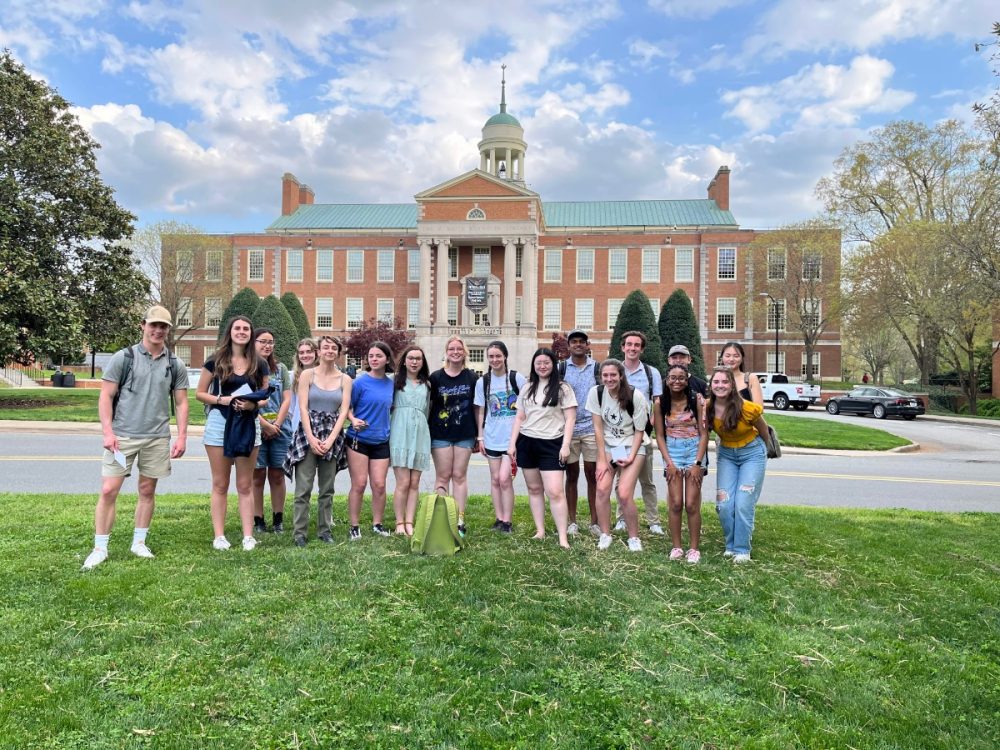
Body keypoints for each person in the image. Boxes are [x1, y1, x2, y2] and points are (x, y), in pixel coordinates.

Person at [82, 306, 190, 570]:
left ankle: (139, 542)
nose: (158, 330)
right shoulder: (124, 357)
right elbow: (106, 396)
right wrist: (107, 432)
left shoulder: (174, 363)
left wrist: (182, 436)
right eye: (153, 325)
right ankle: (100, 547)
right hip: (123, 437)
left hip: (156, 437)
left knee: (147, 490)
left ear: (168, 329)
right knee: (109, 490)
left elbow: (182, 402)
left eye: (163, 326)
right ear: (143, 325)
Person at [195, 315, 270, 551]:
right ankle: (219, 536)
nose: (241, 332)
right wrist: (222, 400)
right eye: (237, 328)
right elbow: (200, 393)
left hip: (248, 424)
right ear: (230, 332)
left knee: (245, 484)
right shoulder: (215, 360)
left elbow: (266, 397)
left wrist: (252, 405)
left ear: (250, 333)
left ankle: (248, 536)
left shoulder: (259, 363)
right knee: (220, 483)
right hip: (220, 423)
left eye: (246, 329)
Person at [507, 348, 577, 549]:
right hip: (527, 441)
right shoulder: (527, 388)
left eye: (546, 362)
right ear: (533, 365)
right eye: (538, 363)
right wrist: (512, 444)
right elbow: (519, 417)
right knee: (534, 489)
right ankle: (540, 530)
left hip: (553, 442)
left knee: (555, 491)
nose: (542, 366)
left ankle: (562, 537)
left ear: (553, 365)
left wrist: (565, 446)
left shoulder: (563, 388)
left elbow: (570, 418)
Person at [286, 335, 351, 546]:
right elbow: (302, 407)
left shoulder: (345, 379)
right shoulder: (307, 375)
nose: (329, 351)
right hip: (307, 434)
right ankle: (300, 534)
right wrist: (311, 438)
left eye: (333, 348)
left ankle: (325, 530)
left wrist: (331, 439)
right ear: (319, 352)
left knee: (327, 489)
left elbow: (343, 412)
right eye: (325, 347)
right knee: (303, 488)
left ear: (338, 353)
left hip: (332, 435)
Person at [708, 366, 769, 563]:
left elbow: (763, 429)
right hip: (726, 454)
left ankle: (742, 549)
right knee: (724, 504)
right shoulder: (707, 407)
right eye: (716, 382)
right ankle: (730, 545)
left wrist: (764, 451)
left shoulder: (747, 408)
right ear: (711, 385)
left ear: (732, 385)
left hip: (752, 453)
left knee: (743, 502)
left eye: (725, 382)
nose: (720, 385)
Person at [588, 359, 649, 553]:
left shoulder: (635, 395)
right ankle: (605, 534)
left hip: (633, 444)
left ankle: (634, 537)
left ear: (621, 375)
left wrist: (631, 456)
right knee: (602, 489)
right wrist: (601, 460)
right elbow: (598, 428)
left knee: (623, 494)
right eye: (605, 375)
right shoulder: (596, 393)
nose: (609, 379)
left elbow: (640, 431)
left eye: (613, 375)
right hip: (610, 446)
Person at [655, 364, 709, 564]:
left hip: (694, 450)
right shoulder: (660, 402)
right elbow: (659, 436)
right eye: (672, 378)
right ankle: (677, 547)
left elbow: (705, 434)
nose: (677, 382)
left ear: (687, 380)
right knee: (676, 503)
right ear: (667, 380)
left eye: (681, 378)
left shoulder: (697, 400)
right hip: (673, 453)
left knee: (692, 504)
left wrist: (697, 463)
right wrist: (669, 463)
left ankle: (694, 549)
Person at [428, 336, 479, 535]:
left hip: (464, 433)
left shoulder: (472, 378)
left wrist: (478, 435)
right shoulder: (436, 377)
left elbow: (477, 407)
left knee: (459, 476)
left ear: (465, 352)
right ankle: (440, 519)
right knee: (442, 476)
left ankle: (459, 519)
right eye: (451, 349)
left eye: (459, 348)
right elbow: (429, 405)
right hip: (440, 433)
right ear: (446, 352)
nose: (455, 352)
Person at [614, 331, 663, 535]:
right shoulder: (614, 370)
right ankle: (621, 519)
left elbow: (657, 401)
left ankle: (653, 521)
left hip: (642, 435)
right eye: (629, 344)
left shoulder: (652, 373)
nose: (632, 348)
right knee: (620, 479)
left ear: (642, 349)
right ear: (623, 347)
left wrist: (653, 419)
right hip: (617, 435)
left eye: (636, 345)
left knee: (647, 480)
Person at [473, 341, 525, 534]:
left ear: (505, 356)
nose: (495, 360)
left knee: (505, 479)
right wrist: (480, 437)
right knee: (495, 479)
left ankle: (508, 521)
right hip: (491, 436)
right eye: (491, 356)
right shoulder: (483, 382)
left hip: (512, 438)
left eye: (498, 356)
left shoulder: (516, 378)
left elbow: (526, 406)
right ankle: (499, 518)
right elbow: (480, 411)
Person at [345, 341, 395, 540]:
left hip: (381, 440)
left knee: (379, 485)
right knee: (359, 484)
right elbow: (346, 407)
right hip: (359, 440)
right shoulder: (359, 383)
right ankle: (354, 526)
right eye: (371, 356)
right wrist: (352, 419)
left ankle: (377, 524)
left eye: (378, 356)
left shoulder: (392, 385)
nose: (374, 359)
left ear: (387, 359)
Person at [251, 328, 292, 534]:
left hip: (280, 429)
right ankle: (258, 520)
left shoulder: (280, 369)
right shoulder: (246, 368)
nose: (267, 345)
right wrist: (264, 425)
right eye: (262, 341)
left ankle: (278, 520)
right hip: (254, 427)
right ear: (253, 343)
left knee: (277, 475)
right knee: (257, 475)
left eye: (271, 342)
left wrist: (276, 424)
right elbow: (244, 401)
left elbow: (287, 399)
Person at [559, 330, 600, 536]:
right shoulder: (562, 368)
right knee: (571, 475)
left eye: (581, 342)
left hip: (592, 429)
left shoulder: (598, 368)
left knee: (593, 476)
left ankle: (595, 521)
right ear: (569, 346)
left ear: (587, 345)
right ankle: (572, 521)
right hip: (570, 430)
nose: (577, 345)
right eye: (573, 342)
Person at [390, 346, 431, 537]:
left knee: (415, 482)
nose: (414, 362)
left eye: (418, 359)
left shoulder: (427, 385)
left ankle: (409, 521)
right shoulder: (394, 382)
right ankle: (399, 522)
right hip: (400, 432)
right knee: (403, 482)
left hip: (420, 433)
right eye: (411, 358)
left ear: (423, 363)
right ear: (404, 361)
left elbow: (428, 410)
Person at [289, 338, 318, 436]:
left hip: (319, 425)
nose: (305, 355)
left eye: (309, 352)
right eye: (301, 353)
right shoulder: (293, 376)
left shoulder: (323, 375)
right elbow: (291, 406)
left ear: (316, 353)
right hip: (298, 425)